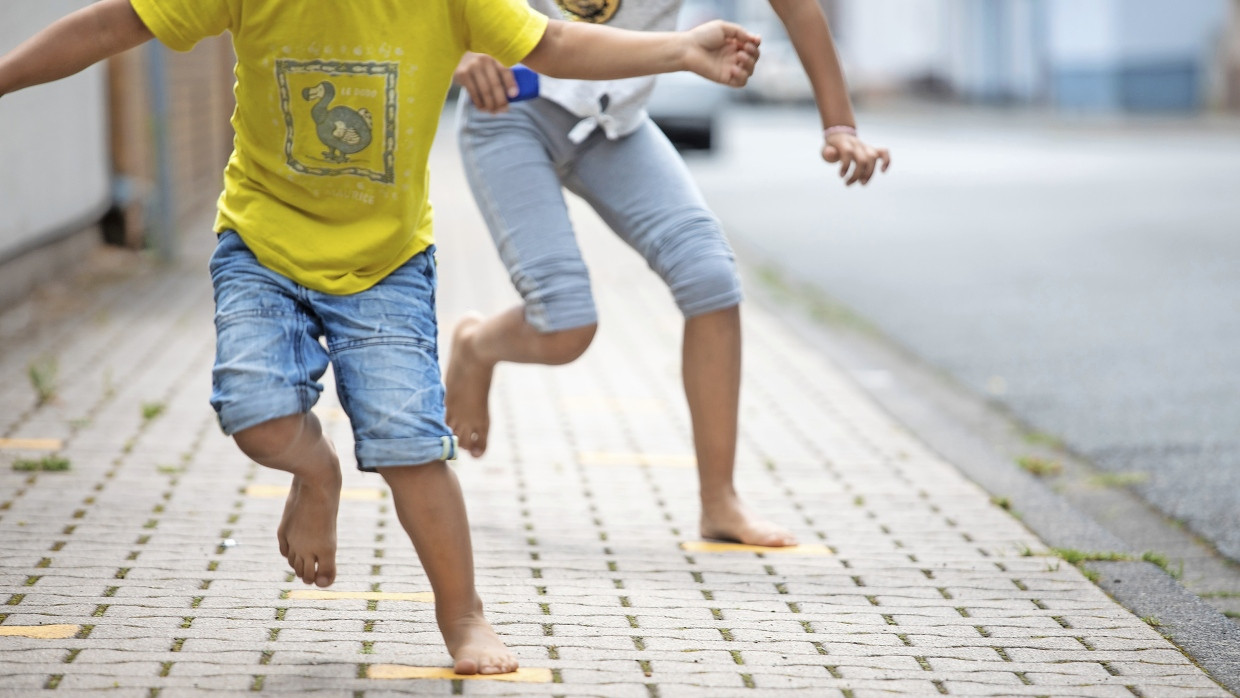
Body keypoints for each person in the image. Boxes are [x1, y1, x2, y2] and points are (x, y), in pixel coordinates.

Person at [0, 0, 759, 675]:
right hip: (264, 249)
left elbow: (556, 44)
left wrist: (680, 49)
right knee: (257, 417)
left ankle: (462, 613)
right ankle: (318, 474)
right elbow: (110, 23)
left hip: (386, 266)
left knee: (409, 443)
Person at [448, 0, 890, 548]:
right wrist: (462, 46)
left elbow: (800, 11)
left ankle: (720, 502)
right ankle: (475, 346)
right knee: (566, 326)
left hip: (616, 123)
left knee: (710, 278)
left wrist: (840, 124)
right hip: (509, 110)